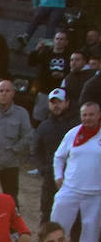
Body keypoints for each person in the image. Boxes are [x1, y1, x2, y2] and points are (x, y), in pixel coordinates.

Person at [52, 101, 101, 242]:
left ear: (99, 115)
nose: (87, 118)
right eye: (84, 115)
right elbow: (59, 157)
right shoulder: (72, 133)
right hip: (70, 189)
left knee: (90, 232)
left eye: (91, 114)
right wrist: (58, 175)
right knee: (56, 226)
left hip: (96, 194)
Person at [34, 90, 77, 222]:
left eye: (59, 102)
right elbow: (37, 150)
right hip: (49, 177)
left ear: (67, 103)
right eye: (53, 102)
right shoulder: (44, 127)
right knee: (46, 211)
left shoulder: (75, 127)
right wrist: (43, 169)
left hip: (71, 179)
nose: (56, 105)